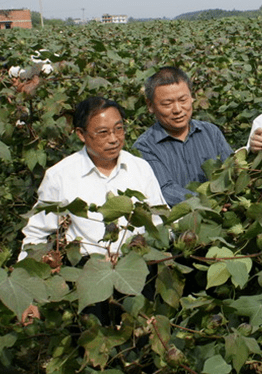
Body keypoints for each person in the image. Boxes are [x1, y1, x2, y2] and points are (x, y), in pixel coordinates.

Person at [20, 96, 166, 260]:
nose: (113, 139)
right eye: (103, 132)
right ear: (81, 134)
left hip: (137, 265)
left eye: (118, 129)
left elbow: (159, 222)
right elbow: (36, 234)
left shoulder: (140, 168)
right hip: (85, 270)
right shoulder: (60, 176)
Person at [134, 67, 232, 207]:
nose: (178, 110)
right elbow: (164, 190)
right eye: (167, 104)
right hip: (175, 225)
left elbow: (230, 169)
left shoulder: (211, 132)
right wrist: (207, 203)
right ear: (150, 105)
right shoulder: (144, 147)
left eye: (183, 100)